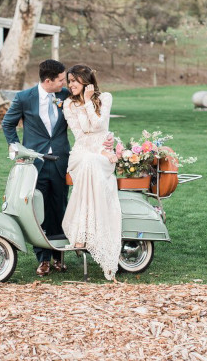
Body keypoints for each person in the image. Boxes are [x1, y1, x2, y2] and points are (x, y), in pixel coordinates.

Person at [1, 59, 70, 277]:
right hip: (35, 164)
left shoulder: (65, 95)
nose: (63, 83)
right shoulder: (24, 98)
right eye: (60, 80)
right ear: (48, 80)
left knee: (59, 207)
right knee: (36, 210)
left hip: (60, 161)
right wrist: (17, 147)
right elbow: (7, 124)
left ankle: (59, 255)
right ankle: (43, 259)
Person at [61, 65, 122, 281]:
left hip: (102, 154)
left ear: (87, 81)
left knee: (93, 163)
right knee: (87, 162)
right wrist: (99, 146)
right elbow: (81, 133)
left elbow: (99, 124)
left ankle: (87, 236)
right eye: (69, 82)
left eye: (75, 81)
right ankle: (80, 234)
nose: (71, 85)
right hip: (82, 152)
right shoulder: (68, 104)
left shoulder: (105, 97)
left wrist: (88, 102)